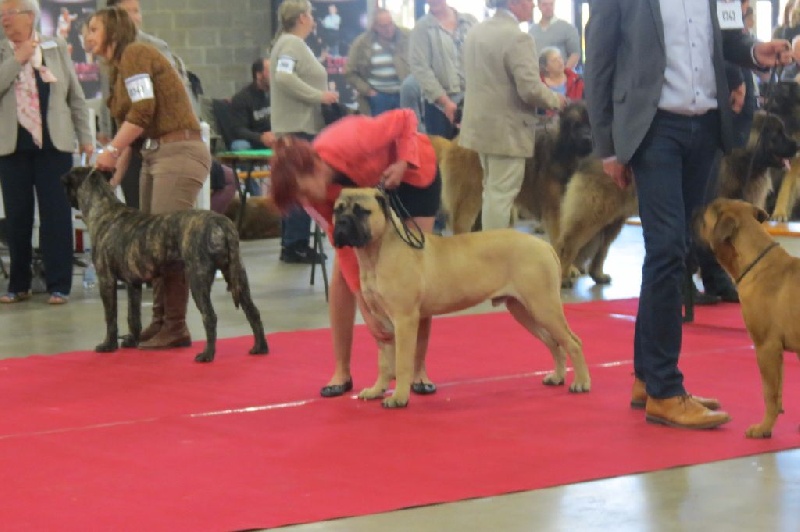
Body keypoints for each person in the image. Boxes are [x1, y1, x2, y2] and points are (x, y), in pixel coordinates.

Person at [584, 0, 793, 429]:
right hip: (653, 127)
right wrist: (607, 146)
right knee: (666, 250)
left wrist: (756, 53)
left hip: (706, 127)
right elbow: (600, 58)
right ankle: (664, 390)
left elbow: (731, 40)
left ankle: (648, 377)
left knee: (678, 248)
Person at [269, 109, 439, 398]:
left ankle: (417, 368)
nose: (303, 201)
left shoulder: (349, 140)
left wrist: (401, 161)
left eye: (300, 191)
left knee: (413, 274)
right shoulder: (314, 199)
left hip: (412, 177)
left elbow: (405, 118)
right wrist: (368, 308)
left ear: (309, 168)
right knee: (341, 274)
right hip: (368, 196)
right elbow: (344, 248)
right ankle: (341, 369)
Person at [87, 6, 211, 349]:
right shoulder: (117, 69)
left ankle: (175, 325)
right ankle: (159, 322)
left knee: (167, 242)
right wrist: (111, 177)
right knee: (152, 245)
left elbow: (142, 112)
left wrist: (110, 149)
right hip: (153, 153)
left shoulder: (137, 53)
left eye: (93, 28)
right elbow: (133, 132)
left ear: (112, 30)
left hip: (179, 152)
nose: (87, 36)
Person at [0, 0, 93, 305]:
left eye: (8, 13)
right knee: (17, 218)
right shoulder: (2, 50)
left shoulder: (55, 46)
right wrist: (17, 60)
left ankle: (59, 284)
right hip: (13, 147)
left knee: (56, 215)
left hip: (54, 145)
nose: (3, 19)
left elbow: (75, 96)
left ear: (29, 16)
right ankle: (19, 284)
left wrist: (86, 138)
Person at [459, 0, 564, 232]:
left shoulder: (476, 31)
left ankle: (494, 250)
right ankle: (496, 255)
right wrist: (557, 100)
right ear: (515, 2)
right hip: (506, 131)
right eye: (529, 1)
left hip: (479, 127)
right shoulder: (518, 37)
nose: (534, 5)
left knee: (492, 191)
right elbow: (529, 89)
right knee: (501, 195)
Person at [99, 0, 197, 210]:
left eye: (137, 11)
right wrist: (110, 138)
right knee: (142, 219)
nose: (135, 17)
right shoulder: (115, 57)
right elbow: (112, 99)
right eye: (128, 12)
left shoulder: (142, 50)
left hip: (161, 141)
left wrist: (114, 148)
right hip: (134, 142)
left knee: (160, 227)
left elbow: (144, 108)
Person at [270, 0, 337, 265]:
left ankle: (292, 242)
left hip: (295, 125)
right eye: (310, 14)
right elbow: (284, 78)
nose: (313, 18)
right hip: (298, 126)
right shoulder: (291, 44)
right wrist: (319, 96)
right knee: (301, 184)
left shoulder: (288, 43)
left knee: (292, 183)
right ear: (301, 18)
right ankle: (296, 243)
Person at [408, 0, 477, 139]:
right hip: (439, 106)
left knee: (472, 156)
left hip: (472, 101)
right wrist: (445, 102)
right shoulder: (422, 28)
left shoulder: (470, 22)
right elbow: (421, 68)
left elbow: (482, 56)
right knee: (441, 157)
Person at [345, 8, 410, 117]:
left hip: (403, 95)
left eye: (390, 24)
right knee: (380, 132)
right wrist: (368, 91)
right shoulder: (361, 43)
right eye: (384, 26)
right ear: (375, 27)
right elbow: (349, 72)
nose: (389, 29)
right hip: (378, 97)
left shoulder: (407, 37)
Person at [230, 58, 274, 152]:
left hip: (273, 139)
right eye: (271, 72)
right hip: (252, 141)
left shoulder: (276, 96)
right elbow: (238, 130)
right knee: (240, 145)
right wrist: (260, 138)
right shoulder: (241, 98)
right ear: (258, 75)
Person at [527, 0, 581, 71]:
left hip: (561, 78)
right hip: (538, 77)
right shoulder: (532, 31)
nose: (548, 7)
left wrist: (564, 74)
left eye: (551, 4)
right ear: (539, 6)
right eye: (545, 4)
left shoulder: (567, 28)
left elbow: (575, 54)